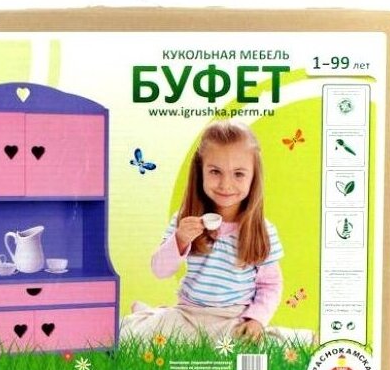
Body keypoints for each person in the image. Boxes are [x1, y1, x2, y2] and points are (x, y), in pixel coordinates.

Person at [121, 119, 289, 343]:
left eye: (238, 174)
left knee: (262, 344)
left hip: (233, 318)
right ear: (200, 172)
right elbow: (160, 271)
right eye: (215, 171)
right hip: (188, 314)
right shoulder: (185, 220)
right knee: (129, 337)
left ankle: (154, 316)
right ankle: (152, 318)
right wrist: (180, 239)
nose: (225, 184)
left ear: (253, 177)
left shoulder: (262, 230)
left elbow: (270, 285)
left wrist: (256, 319)